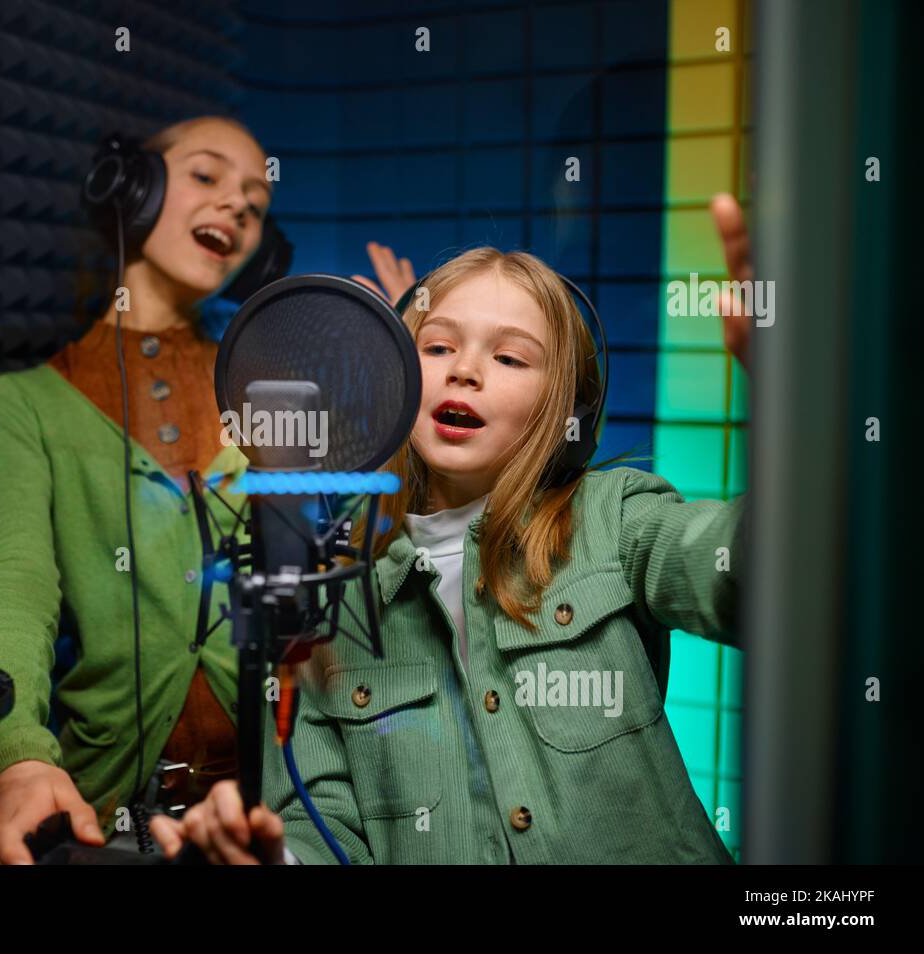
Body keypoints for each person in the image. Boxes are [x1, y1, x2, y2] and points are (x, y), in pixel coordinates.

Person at [150, 195, 757, 864]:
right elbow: (319, 822)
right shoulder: (332, 585)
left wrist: (791, 389)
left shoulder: (618, 521)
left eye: (510, 359)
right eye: (437, 346)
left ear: (565, 406)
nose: (463, 369)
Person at [0, 114, 416, 864]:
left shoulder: (278, 382)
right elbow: (12, 597)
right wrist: (12, 756)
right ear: (130, 189)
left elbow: (369, 558)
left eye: (255, 203)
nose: (237, 206)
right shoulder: (25, 406)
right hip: (102, 812)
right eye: (207, 177)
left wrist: (402, 383)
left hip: (282, 812)